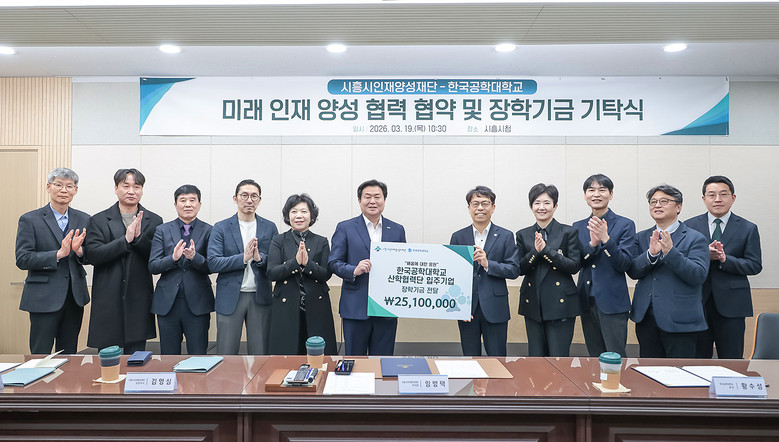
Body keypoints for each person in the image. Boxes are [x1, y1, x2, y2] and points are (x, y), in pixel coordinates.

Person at [84, 168, 162, 354]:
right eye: (125, 186)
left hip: (139, 297)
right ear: (116, 188)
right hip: (108, 297)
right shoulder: (98, 220)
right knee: (108, 360)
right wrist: (125, 241)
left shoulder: (154, 220)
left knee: (137, 359)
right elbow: (93, 255)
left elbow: (156, 259)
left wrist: (139, 239)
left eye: (137, 187)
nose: (131, 191)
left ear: (142, 190)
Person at [628, 184, 709, 358]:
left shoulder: (695, 238)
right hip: (646, 318)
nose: (657, 205)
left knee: (679, 370)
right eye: (653, 202)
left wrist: (670, 252)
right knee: (649, 370)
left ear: (678, 207)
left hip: (680, 320)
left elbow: (698, 275)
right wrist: (651, 254)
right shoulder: (642, 236)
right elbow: (633, 271)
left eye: (664, 201)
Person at [685, 176, 762, 359]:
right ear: (704, 199)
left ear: (733, 198)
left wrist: (726, 260)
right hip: (697, 303)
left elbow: (754, 265)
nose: (717, 199)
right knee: (697, 360)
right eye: (712, 195)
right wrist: (704, 255)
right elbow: (682, 260)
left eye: (723, 194)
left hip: (732, 306)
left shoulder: (748, 228)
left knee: (732, 359)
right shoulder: (689, 226)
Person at [15, 167, 90, 354]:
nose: (64, 190)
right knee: (40, 354)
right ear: (48, 187)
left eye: (69, 186)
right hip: (43, 298)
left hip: (74, 297)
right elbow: (23, 258)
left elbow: (90, 254)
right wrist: (58, 254)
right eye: (58, 185)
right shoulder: (30, 219)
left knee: (69, 354)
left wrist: (80, 252)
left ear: (75, 190)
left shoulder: (85, 219)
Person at [329, 179, 406, 356]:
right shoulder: (345, 227)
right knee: (355, 360)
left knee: (383, 360)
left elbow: (403, 264)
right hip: (355, 307)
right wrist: (353, 270)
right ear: (359, 200)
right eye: (367, 197)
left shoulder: (397, 230)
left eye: (377, 197)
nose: (372, 201)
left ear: (384, 200)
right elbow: (333, 262)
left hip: (386, 308)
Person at [207, 179, 278, 355]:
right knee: (226, 353)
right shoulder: (221, 227)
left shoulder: (269, 227)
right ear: (235, 198)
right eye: (244, 195)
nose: (249, 200)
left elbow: (276, 262)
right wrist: (243, 258)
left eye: (254, 196)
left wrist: (259, 258)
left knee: (261, 353)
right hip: (230, 297)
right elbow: (213, 262)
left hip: (260, 296)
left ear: (259, 200)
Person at [573, 174, 638, 357]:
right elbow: (577, 262)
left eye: (602, 190)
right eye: (591, 190)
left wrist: (606, 240)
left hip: (613, 302)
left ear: (611, 194)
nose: (596, 194)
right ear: (585, 195)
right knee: (595, 356)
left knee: (615, 356)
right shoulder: (578, 226)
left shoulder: (625, 224)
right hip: (586, 300)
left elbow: (624, 263)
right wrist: (592, 245)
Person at [450, 186, 519, 356]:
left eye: (485, 203)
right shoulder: (458, 236)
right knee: (470, 358)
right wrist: (459, 307)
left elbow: (514, 269)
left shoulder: (505, 235)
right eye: (475, 204)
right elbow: (453, 275)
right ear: (469, 208)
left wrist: (488, 264)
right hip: (467, 309)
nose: (480, 208)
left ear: (493, 207)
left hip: (495, 308)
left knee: (497, 359)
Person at [516, 183, 582, 357]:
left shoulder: (568, 232)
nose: (541, 207)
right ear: (531, 206)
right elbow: (520, 268)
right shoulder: (523, 234)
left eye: (546, 203)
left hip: (561, 305)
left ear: (555, 206)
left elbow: (574, 266)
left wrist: (546, 251)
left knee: (558, 357)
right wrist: (535, 252)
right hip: (533, 302)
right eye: (537, 203)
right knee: (536, 358)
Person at [267, 194, 337, 355]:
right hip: (286, 306)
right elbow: (272, 273)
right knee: (286, 355)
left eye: (304, 211)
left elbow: (326, 274)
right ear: (288, 216)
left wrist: (307, 265)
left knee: (319, 356)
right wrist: (294, 263)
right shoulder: (278, 240)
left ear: (311, 215)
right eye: (294, 211)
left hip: (316, 306)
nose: (299, 216)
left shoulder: (321, 241)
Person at [148, 185, 214, 355]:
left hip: (198, 302)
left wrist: (194, 257)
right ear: (175, 204)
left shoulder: (209, 230)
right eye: (183, 200)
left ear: (199, 204)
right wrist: (173, 258)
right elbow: (153, 266)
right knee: (169, 355)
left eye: (192, 200)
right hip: (167, 303)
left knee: (198, 354)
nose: (188, 204)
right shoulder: (162, 230)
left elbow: (212, 266)